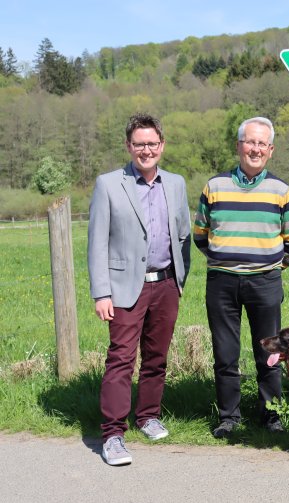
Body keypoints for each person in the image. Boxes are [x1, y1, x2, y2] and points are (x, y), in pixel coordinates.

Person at [88, 113, 191, 466]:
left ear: (161, 145)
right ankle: (113, 433)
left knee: (156, 358)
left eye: (152, 143)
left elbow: (183, 235)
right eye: (139, 144)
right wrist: (102, 293)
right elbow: (97, 242)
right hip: (123, 288)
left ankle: (147, 416)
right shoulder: (108, 184)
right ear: (128, 146)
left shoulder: (176, 184)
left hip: (165, 285)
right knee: (120, 360)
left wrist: (179, 280)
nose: (146, 150)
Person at [194, 116, 289, 438]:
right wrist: (225, 260)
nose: (255, 149)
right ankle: (229, 417)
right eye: (249, 142)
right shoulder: (214, 187)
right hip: (221, 283)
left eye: (261, 144)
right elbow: (201, 235)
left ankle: (272, 415)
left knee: (269, 353)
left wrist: (269, 269)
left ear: (270, 150)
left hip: (265, 283)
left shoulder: (282, 192)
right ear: (238, 145)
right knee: (225, 352)